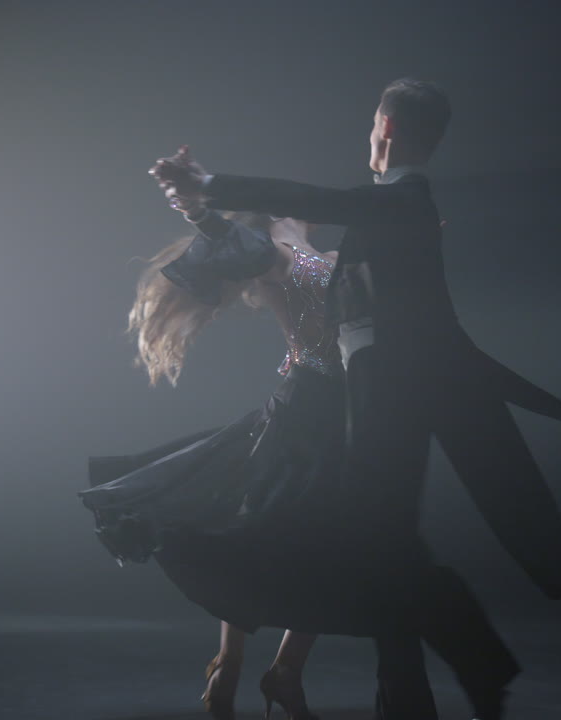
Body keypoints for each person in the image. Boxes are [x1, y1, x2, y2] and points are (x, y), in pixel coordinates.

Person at [151, 77, 561, 720]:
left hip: (381, 400)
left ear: (384, 128)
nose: (366, 137)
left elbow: (324, 208)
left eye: (369, 126)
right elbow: (265, 240)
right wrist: (201, 206)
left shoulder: (393, 205)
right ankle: (412, 680)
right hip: (346, 399)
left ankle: (423, 674)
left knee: (371, 545)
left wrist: (211, 185)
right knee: (353, 542)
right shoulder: (352, 224)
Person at [80, 206, 344, 720]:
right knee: (265, 531)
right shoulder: (272, 249)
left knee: (326, 540)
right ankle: (239, 664)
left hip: (341, 411)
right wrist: (200, 209)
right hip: (309, 409)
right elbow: (247, 247)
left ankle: (270, 669)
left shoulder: (311, 250)